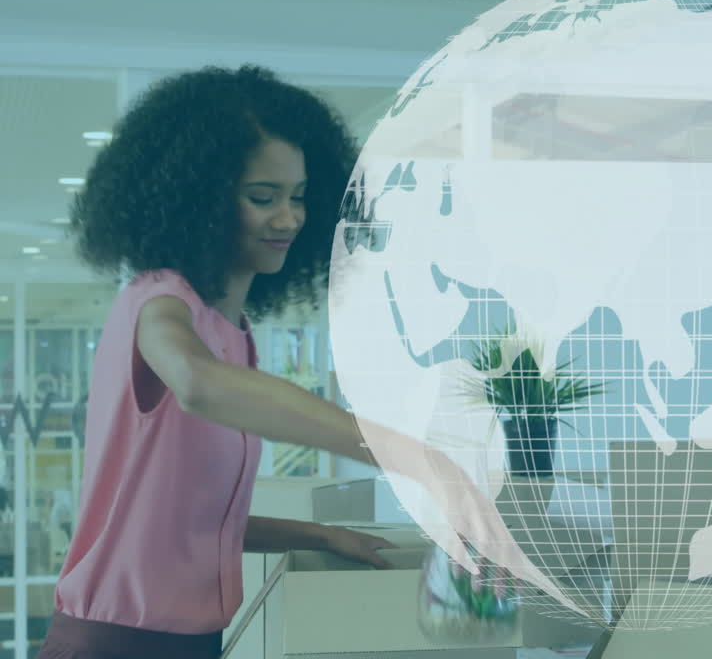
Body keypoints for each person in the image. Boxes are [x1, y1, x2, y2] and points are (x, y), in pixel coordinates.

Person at [38, 65, 546, 659]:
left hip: (191, 641)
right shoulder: (158, 302)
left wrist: (318, 535)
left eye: (299, 197)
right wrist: (417, 461)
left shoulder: (235, 333)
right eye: (262, 198)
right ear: (199, 200)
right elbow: (198, 383)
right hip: (114, 645)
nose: (289, 219)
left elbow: (186, 521)